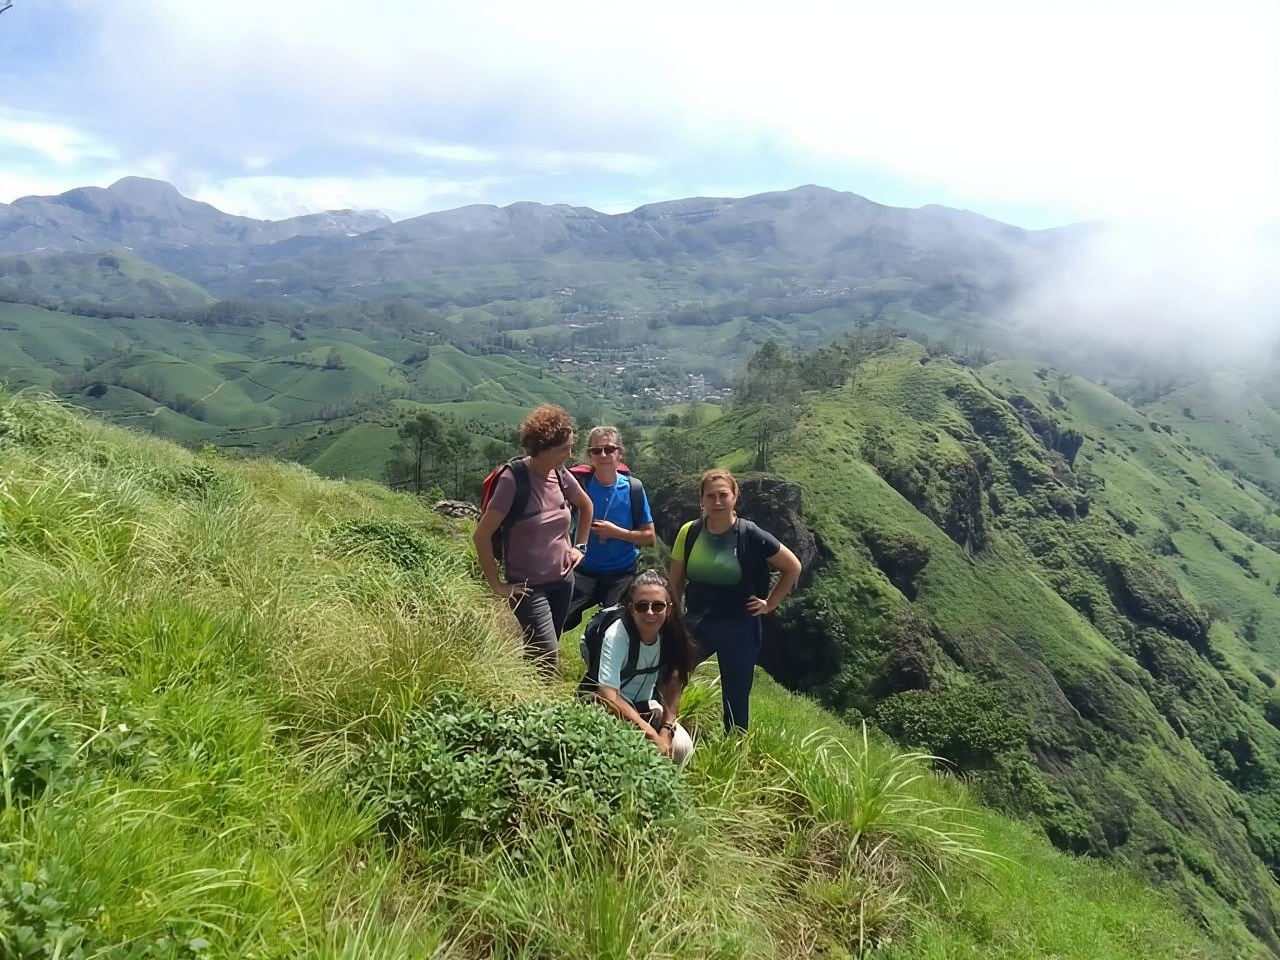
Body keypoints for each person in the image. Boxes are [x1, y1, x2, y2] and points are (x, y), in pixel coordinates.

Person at [668, 469, 802, 732]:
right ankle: (665, 726)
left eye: (723, 495)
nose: (717, 502)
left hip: (739, 626)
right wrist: (671, 615)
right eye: (711, 496)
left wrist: (770, 603)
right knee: (672, 675)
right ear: (702, 500)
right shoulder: (690, 531)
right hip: (697, 621)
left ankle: (734, 749)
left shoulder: (750, 534)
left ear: (734, 497)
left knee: (735, 697)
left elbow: (792, 567)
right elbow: (675, 580)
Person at [473, 404, 594, 672]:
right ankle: (542, 706)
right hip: (528, 588)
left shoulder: (560, 474)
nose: (570, 454)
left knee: (541, 651)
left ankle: (529, 696)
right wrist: (498, 586)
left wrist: (580, 546)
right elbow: (481, 535)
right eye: (564, 449)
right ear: (543, 448)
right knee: (547, 656)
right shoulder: (513, 480)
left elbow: (586, 506)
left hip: (563, 582)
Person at [580, 569, 695, 764]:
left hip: (644, 704)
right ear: (631, 608)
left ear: (668, 609)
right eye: (642, 606)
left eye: (658, 606)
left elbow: (673, 685)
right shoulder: (617, 635)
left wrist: (666, 730)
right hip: (608, 706)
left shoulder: (671, 636)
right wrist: (651, 734)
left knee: (682, 748)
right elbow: (608, 696)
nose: (650, 612)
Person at [564, 425, 656, 630]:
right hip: (583, 570)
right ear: (589, 455)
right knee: (560, 618)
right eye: (596, 450)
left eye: (609, 449)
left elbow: (649, 536)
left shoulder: (633, 488)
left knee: (616, 629)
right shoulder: (579, 487)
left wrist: (615, 532)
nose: (603, 454)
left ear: (619, 453)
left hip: (621, 574)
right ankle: (545, 659)